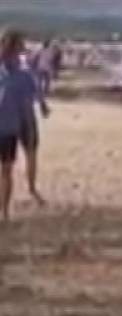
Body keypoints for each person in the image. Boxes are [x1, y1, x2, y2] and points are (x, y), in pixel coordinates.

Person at [0, 29, 51, 220]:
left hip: (12, 126)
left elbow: (33, 96)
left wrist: (41, 109)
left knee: (7, 169)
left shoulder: (24, 74)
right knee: (7, 169)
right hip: (10, 124)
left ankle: (4, 211)